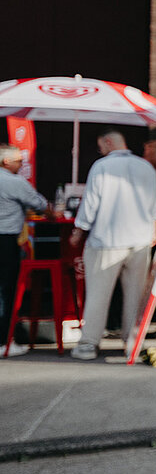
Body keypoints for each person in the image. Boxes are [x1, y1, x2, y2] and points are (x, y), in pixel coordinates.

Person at [69, 130, 156, 361]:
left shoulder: (101, 167)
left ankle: (89, 344)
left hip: (106, 240)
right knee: (136, 296)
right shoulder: (146, 167)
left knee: (98, 295)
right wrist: (153, 232)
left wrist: (79, 231)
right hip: (140, 240)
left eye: (101, 145)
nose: (100, 150)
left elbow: (90, 204)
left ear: (108, 142)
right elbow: (153, 207)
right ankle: (133, 342)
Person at [0, 146, 50, 357]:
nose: (21, 165)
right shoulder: (14, 182)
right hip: (5, 240)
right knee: (5, 290)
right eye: (18, 161)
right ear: (6, 162)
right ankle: (3, 342)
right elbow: (40, 204)